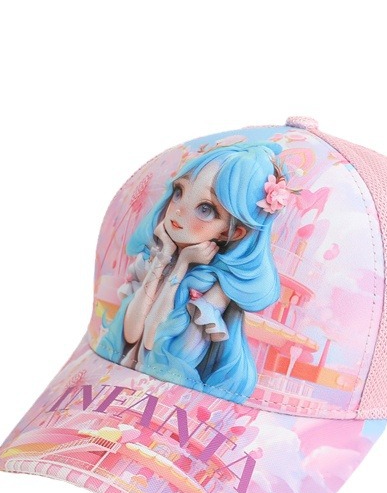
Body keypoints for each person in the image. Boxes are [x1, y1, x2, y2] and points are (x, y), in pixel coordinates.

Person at [97, 141, 290, 403]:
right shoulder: (155, 257)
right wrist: (165, 258)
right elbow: (130, 333)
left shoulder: (214, 291)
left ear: (233, 232)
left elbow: (154, 343)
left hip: (170, 397)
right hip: (116, 375)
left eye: (205, 209)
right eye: (179, 192)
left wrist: (181, 265)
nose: (178, 210)